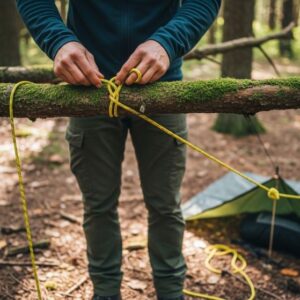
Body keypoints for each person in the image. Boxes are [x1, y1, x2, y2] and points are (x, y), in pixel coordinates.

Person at [17, 1, 221, 299]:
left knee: (165, 205)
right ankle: (105, 293)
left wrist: (167, 42)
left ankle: (171, 292)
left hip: (163, 91)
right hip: (89, 88)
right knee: (98, 205)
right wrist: (59, 41)